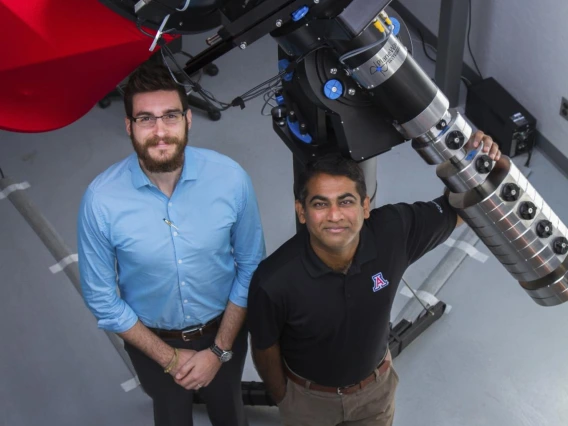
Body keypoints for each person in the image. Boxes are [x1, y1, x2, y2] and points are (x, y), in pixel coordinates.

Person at [248, 132, 500, 426]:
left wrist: (472, 161)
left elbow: (453, 209)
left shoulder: (394, 231)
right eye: (320, 204)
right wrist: (285, 398)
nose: (334, 215)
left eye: (346, 202)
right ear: (301, 212)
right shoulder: (273, 280)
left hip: (375, 394)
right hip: (309, 404)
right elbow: (264, 347)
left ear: (365, 207)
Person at [77, 60, 265, 426]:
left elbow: (251, 265)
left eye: (170, 116)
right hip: (150, 340)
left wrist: (219, 349)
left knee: (230, 413)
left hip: (224, 329)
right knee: (171, 415)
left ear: (188, 120)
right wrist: (168, 358)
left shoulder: (230, 179)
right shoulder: (101, 200)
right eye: (146, 119)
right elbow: (101, 297)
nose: (160, 131)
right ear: (129, 126)